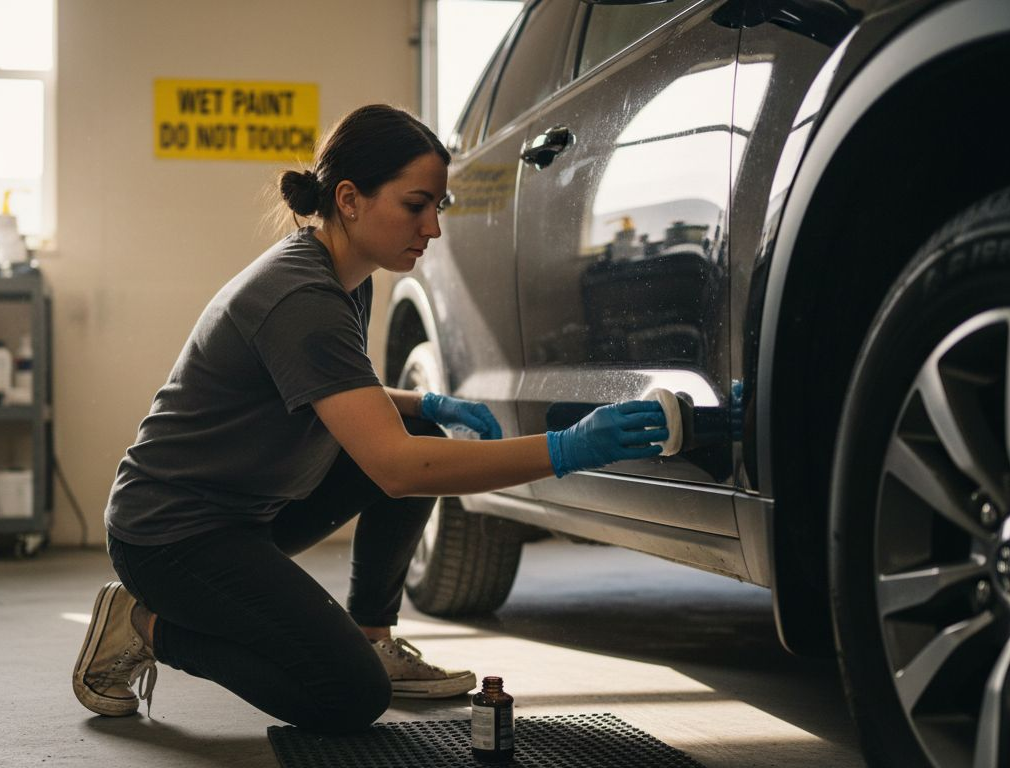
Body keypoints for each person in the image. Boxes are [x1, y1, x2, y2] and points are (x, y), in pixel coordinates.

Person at [72, 104, 668, 734]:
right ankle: (144, 623)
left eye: (439, 205)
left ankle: (373, 632)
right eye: (417, 205)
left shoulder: (346, 275)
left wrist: (426, 404)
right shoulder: (300, 294)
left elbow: (334, 387)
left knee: (417, 430)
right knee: (348, 695)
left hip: (248, 513)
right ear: (350, 199)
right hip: (171, 537)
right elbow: (398, 470)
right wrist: (567, 448)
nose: (432, 227)